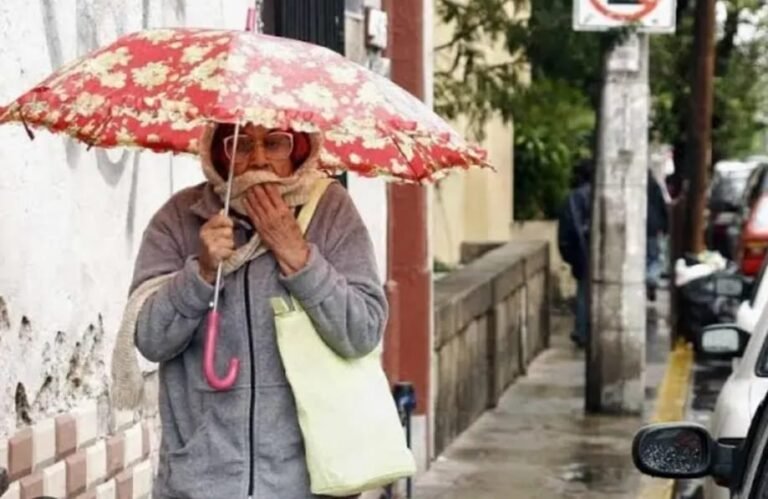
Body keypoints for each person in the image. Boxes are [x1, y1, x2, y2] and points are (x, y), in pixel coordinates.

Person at [124, 122, 387, 498]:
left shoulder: (331, 211)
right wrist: (199, 274)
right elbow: (149, 339)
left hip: (309, 483)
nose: (259, 158)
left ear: (298, 149)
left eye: (276, 143)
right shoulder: (180, 217)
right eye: (240, 144)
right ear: (218, 152)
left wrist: (299, 257)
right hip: (201, 484)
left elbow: (362, 331)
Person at [558, 159, 593, 348]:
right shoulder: (595, 195)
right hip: (589, 249)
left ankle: (582, 330)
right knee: (586, 293)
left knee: (583, 292)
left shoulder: (574, 197)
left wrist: (571, 254)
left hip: (582, 251)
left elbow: (569, 228)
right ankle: (584, 330)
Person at [647, 169, 669, 302]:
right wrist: (666, 227)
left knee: (645, 257)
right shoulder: (655, 186)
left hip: (638, 227)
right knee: (655, 258)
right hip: (654, 227)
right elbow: (662, 206)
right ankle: (651, 278)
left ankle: (646, 277)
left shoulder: (637, 187)